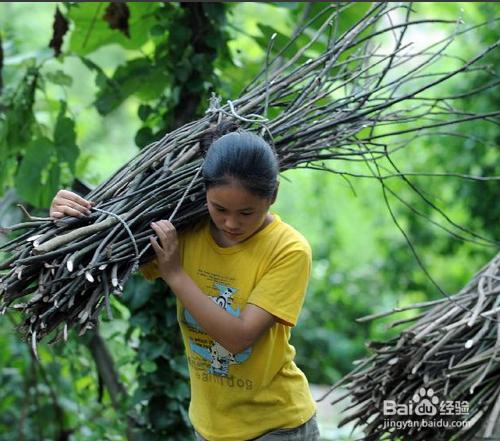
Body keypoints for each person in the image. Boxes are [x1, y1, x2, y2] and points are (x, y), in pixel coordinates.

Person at [50, 125, 320, 441]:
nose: (232, 223)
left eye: (247, 212)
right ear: (204, 193)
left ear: (272, 195)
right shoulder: (187, 233)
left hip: (276, 427)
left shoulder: (288, 249)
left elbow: (239, 337)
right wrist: (67, 220)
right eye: (219, 209)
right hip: (208, 427)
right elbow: (100, 254)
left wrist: (175, 274)